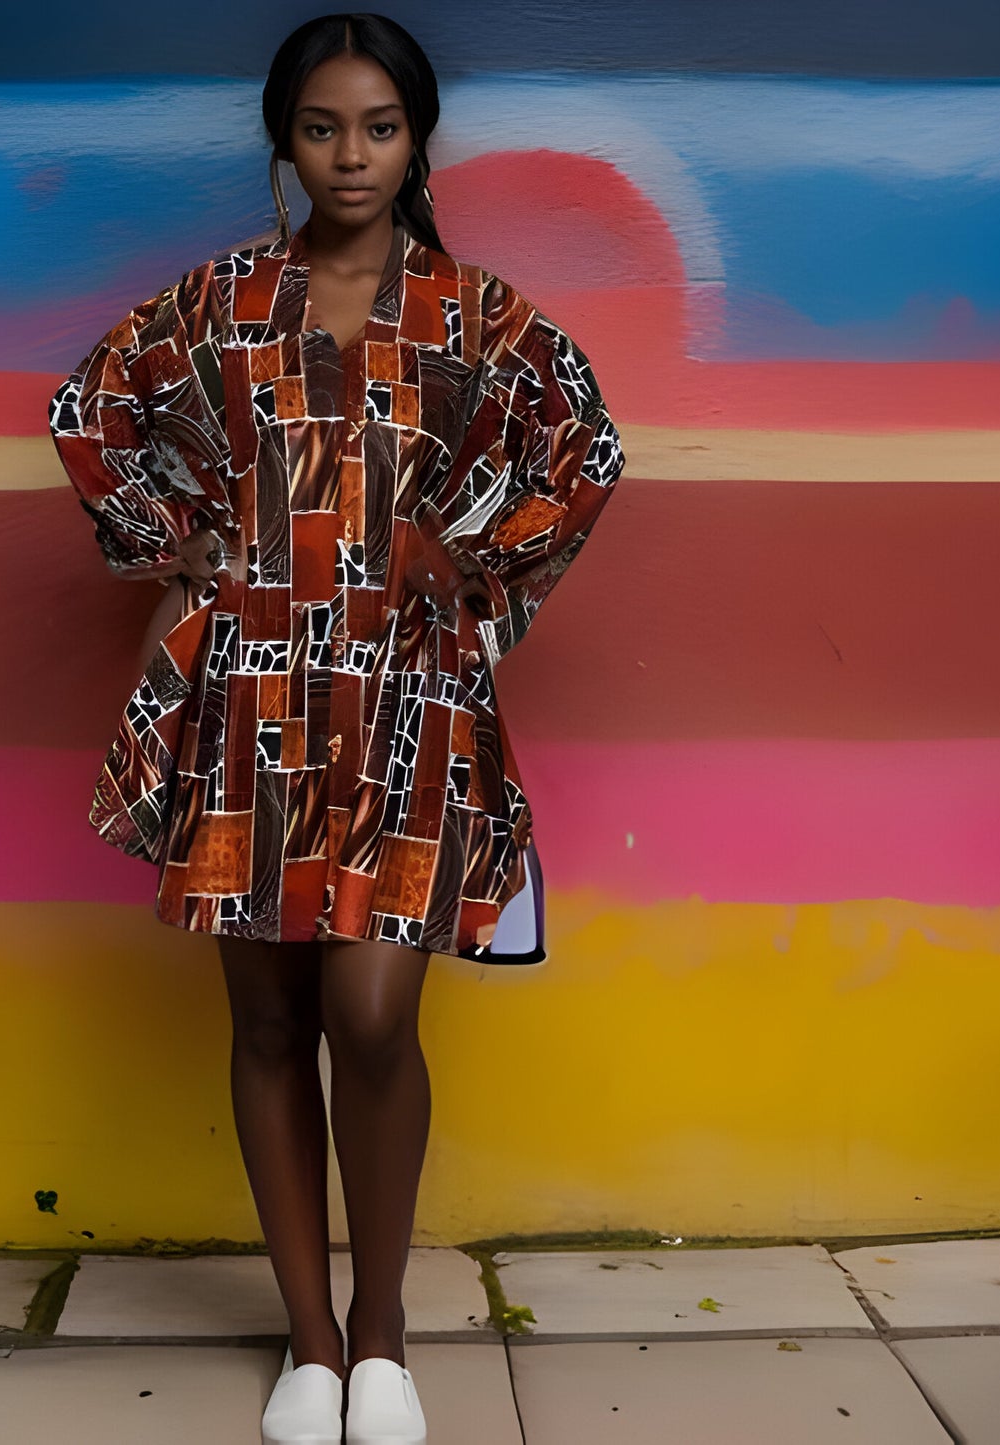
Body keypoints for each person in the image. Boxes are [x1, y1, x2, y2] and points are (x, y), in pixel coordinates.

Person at [48, 14, 626, 1442]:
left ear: (415, 137)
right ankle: (309, 1345)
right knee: (268, 1016)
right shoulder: (219, 303)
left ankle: (383, 1333)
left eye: (377, 126)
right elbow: (87, 407)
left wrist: (474, 553)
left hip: (405, 699)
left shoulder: (477, 316)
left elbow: (586, 452)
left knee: (370, 1013)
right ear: (283, 139)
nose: (350, 154)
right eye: (321, 126)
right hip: (247, 695)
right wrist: (171, 540)